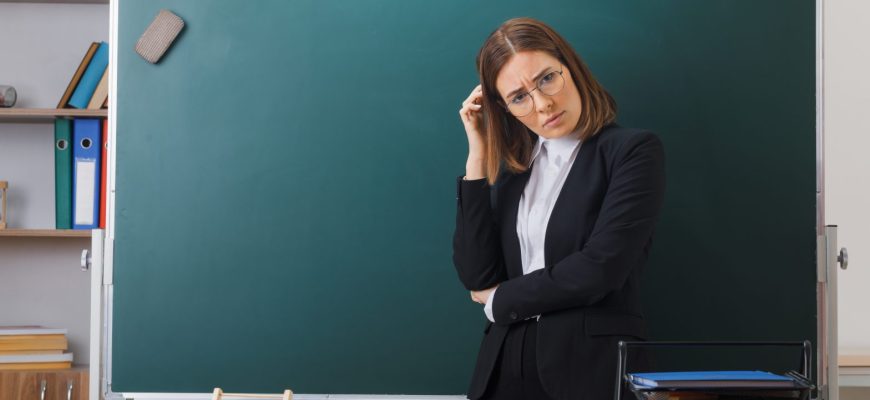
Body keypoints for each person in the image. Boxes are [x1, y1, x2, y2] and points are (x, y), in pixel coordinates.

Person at [452, 17, 665, 400]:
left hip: (589, 370)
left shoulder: (631, 151)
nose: (543, 104)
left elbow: (600, 268)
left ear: (570, 66)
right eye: (519, 98)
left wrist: (502, 300)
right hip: (502, 371)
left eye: (547, 79)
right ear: (505, 109)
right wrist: (478, 157)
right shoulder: (517, 170)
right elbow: (477, 274)